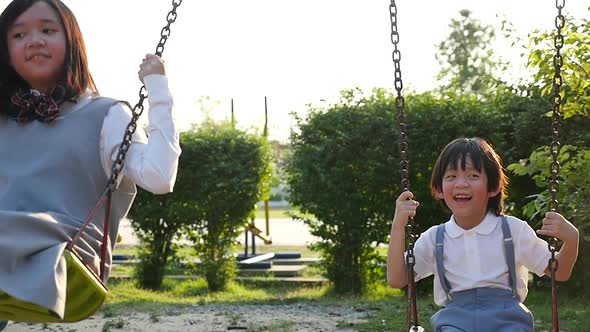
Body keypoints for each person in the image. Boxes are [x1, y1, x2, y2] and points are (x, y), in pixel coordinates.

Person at [0, 0, 180, 328]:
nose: (35, 40)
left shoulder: (105, 115)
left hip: (63, 250)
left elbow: (160, 177)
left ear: (72, 43)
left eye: (48, 30)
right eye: (19, 34)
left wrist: (157, 89)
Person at [387, 137, 579, 331]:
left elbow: (559, 272)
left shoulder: (513, 231)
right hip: (455, 322)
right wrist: (398, 227)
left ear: (493, 187)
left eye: (473, 175)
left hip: (508, 321)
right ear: (439, 190)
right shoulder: (436, 238)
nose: (461, 184)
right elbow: (398, 279)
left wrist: (571, 238)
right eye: (451, 176)